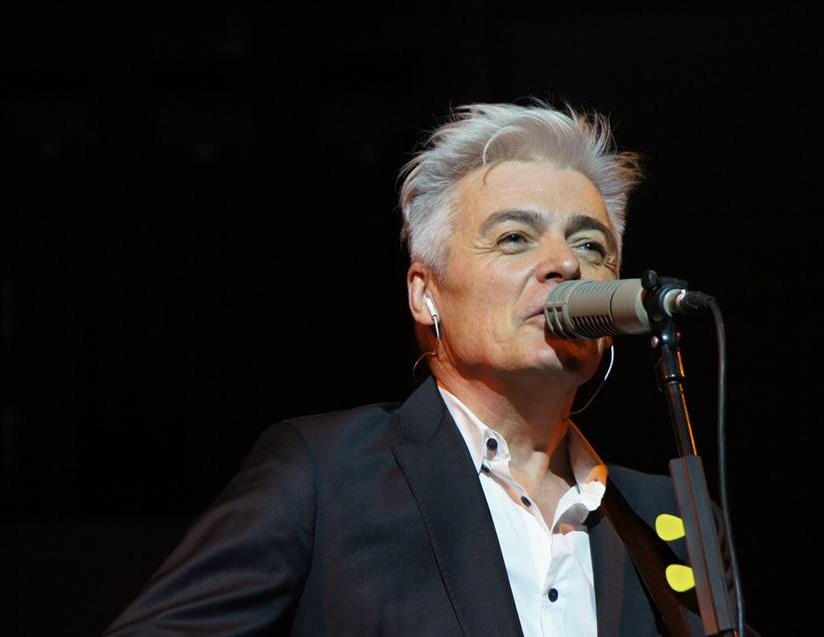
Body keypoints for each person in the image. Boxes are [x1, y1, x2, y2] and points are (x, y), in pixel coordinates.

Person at [104, 100, 749, 636]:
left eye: (590, 244)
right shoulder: (328, 474)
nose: (565, 264)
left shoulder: (668, 517)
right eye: (514, 237)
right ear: (425, 293)